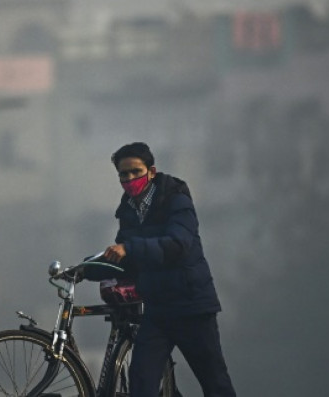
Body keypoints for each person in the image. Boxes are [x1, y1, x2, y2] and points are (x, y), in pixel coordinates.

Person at [87, 142, 237, 397]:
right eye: (124, 174)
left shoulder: (176, 198)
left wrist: (129, 249)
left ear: (151, 171)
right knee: (141, 383)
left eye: (136, 171)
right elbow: (127, 261)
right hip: (157, 311)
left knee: (215, 384)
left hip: (192, 307)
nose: (130, 178)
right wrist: (86, 269)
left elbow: (177, 244)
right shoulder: (128, 211)